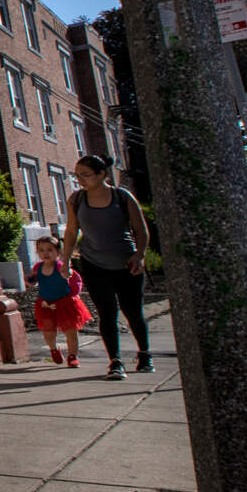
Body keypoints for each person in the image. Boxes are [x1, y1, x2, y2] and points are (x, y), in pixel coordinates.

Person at [60, 154, 152, 380]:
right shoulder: (77, 200)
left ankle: (145, 354)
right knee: (107, 314)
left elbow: (141, 230)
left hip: (126, 263)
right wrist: (66, 260)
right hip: (94, 264)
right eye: (77, 175)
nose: (80, 179)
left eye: (86, 175)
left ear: (102, 174)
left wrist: (139, 256)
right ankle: (115, 362)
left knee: (133, 312)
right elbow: (72, 232)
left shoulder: (122, 197)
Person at [28, 234, 91, 366]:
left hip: (64, 303)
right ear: (38, 252)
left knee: (71, 332)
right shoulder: (37, 268)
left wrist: (71, 286)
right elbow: (31, 281)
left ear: (58, 252)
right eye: (41, 250)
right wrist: (29, 279)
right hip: (45, 304)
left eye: (50, 250)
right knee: (48, 332)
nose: (45, 253)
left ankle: (72, 356)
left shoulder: (60, 266)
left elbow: (75, 279)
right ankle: (53, 349)